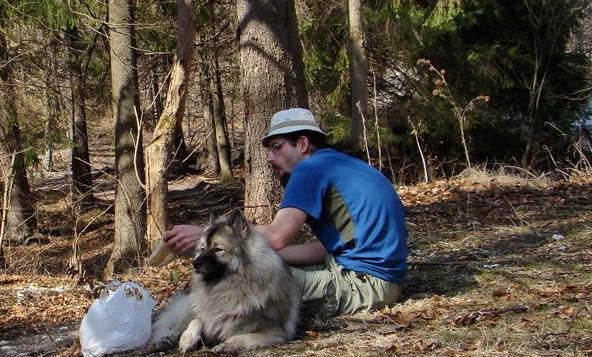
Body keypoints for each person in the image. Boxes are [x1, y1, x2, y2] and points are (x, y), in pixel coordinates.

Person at [162, 108, 408, 318]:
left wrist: (206, 236)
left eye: (276, 147)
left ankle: (186, 325)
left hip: (365, 285)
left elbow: (278, 236)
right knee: (256, 266)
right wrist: (266, 256)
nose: (269, 158)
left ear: (302, 144)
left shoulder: (309, 169)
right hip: (384, 282)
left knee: (241, 278)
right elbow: (329, 249)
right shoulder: (342, 165)